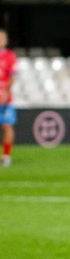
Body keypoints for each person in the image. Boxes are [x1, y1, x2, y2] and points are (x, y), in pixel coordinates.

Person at [0, 29, 16, 167]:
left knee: (7, 126)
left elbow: (12, 76)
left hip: (5, 99)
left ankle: (6, 156)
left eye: (2, 38)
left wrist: (6, 92)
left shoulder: (10, 56)